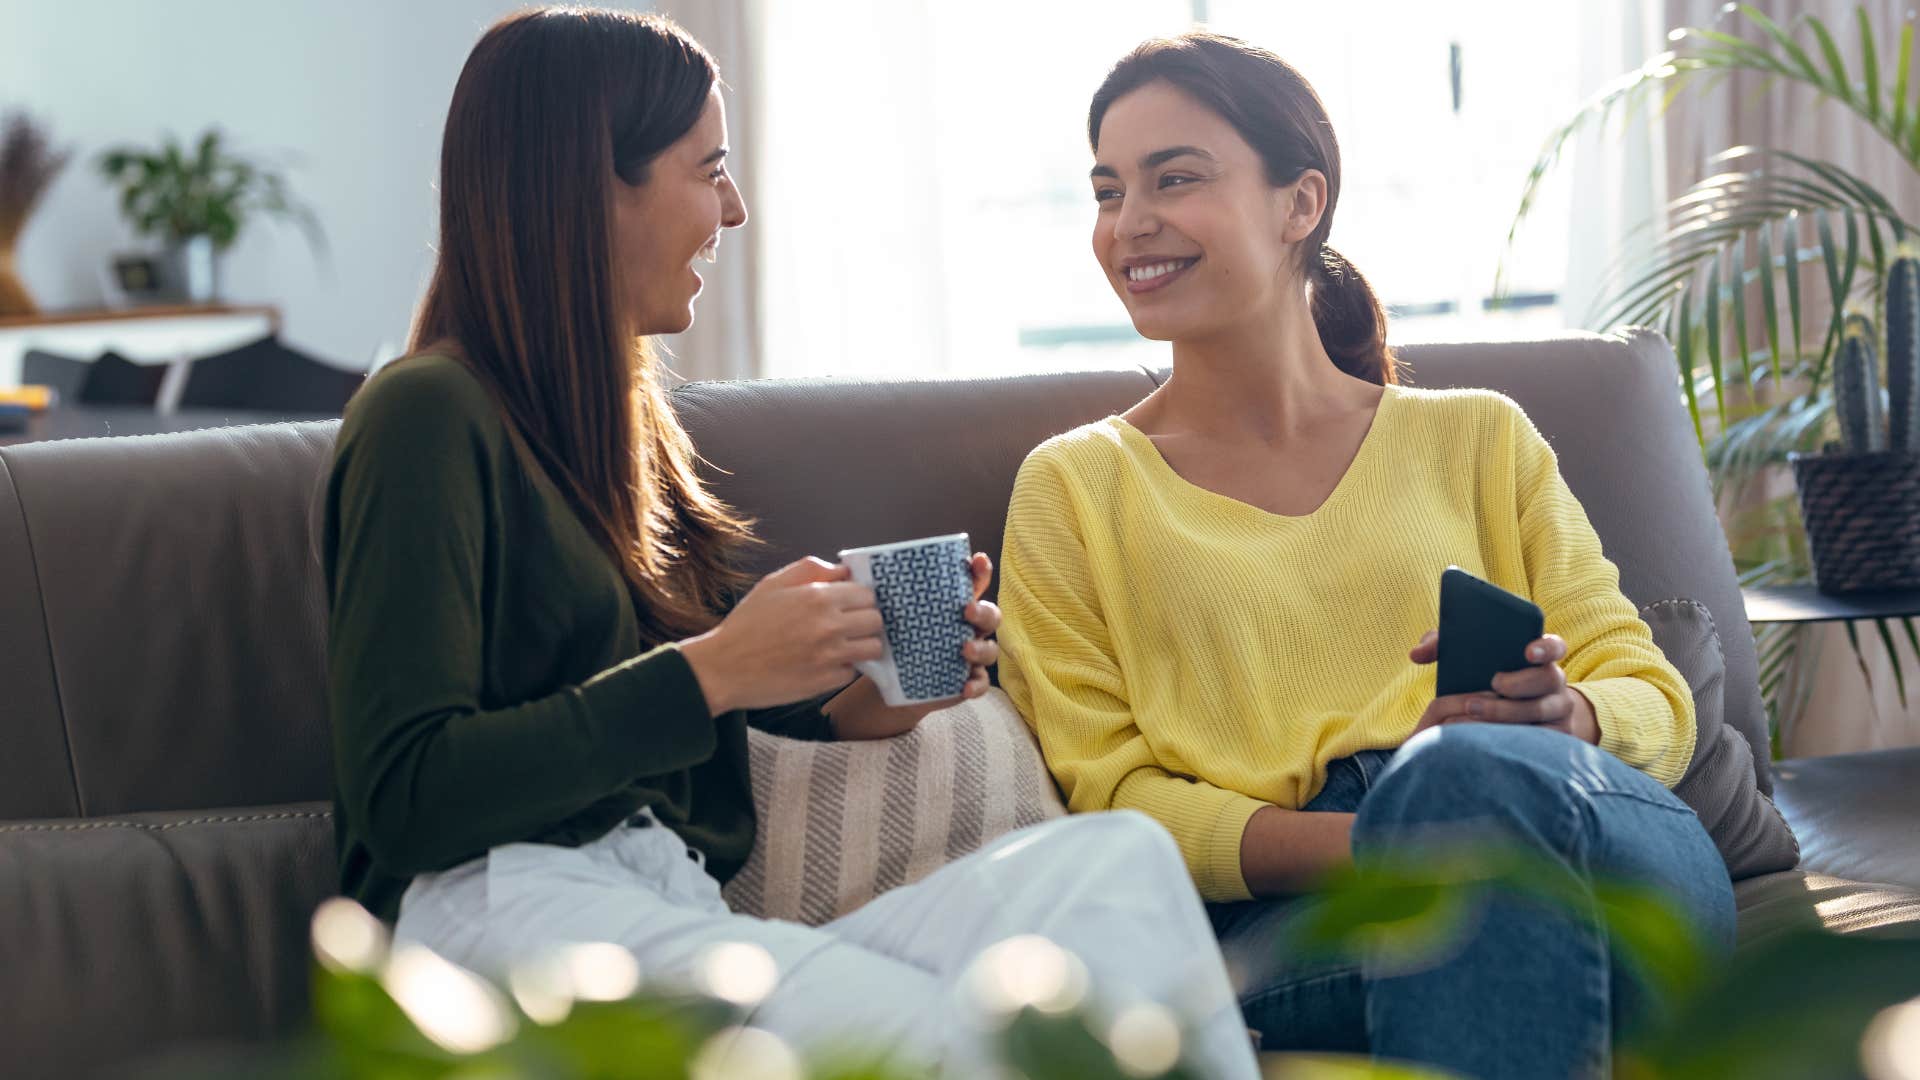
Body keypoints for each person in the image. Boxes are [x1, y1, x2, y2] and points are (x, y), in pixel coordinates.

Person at [321, 9, 1257, 1076]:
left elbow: (681, 715)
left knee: (1117, 869)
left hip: (663, 901)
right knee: (972, 1037)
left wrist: (861, 699)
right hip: (495, 919)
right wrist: (714, 669)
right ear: (590, 186)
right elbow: (405, 798)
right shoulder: (427, 413)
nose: (733, 206)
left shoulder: (620, 433)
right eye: (706, 167)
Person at [996, 30, 1736, 1080]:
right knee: (1474, 853)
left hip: (1584, 823)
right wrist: (1395, 841)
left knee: (1475, 776)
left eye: (1176, 178)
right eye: (1109, 191)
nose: (1131, 224)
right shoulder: (1076, 487)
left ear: (1301, 203)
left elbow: (1653, 698)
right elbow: (1110, 793)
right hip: (1315, 903)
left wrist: (1568, 717)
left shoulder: (1480, 436)